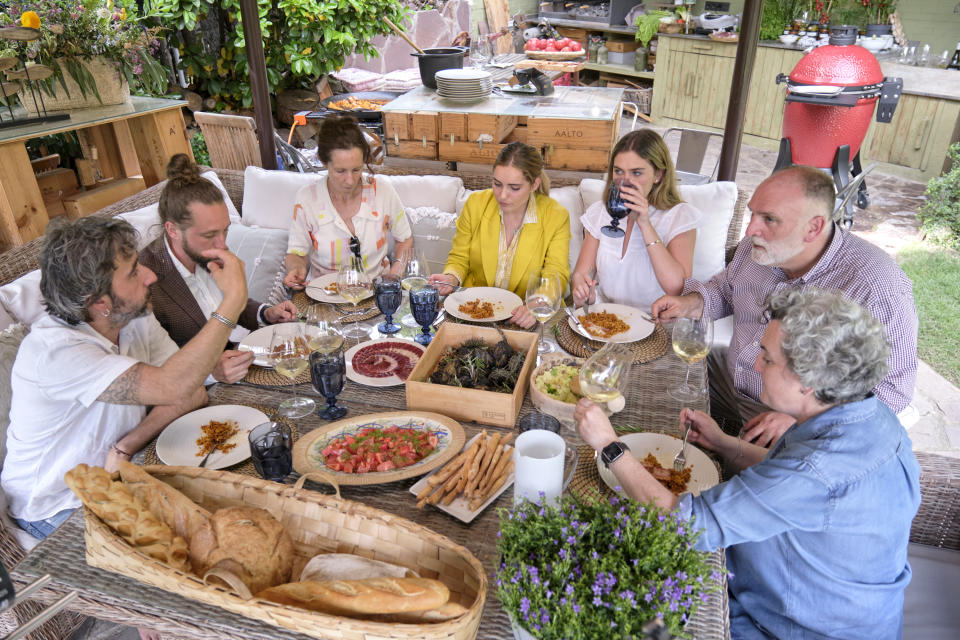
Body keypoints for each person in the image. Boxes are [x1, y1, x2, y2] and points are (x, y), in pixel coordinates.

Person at [576, 289, 921, 640]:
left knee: (596, 588)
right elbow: (787, 476)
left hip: (783, 626)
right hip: (832, 606)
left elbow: (682, 525)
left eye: (767, 359)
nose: (756, 364)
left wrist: (609, 445)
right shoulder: (869, 414)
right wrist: (724, 444)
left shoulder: (817, 471)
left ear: (808, 382)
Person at [651, 165, 917, 445]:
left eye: (769, 219)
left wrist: (805, 419)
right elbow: (727, 290)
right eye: (753, 213)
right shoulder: (756, 249)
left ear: (813, 228)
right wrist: (691, 303)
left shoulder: (876, 286)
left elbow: (891, 392)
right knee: (650, 377)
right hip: (731, 378)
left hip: (787, 415)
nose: (751, 229)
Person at [139, 154, 298, 383]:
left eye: (225, 230)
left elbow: (229, 305)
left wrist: (265, 313)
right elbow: (151, 370)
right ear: (172, 230)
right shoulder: (146, 282)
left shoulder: (205, 252)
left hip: (246, 359)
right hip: (201, 392)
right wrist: (209, 373)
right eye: (209, 235)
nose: (222, 244)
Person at [427, 142, 571, 329]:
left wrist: (536, 304)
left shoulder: (555, 216)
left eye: (514, 188)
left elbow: (556, 273)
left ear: (534, 184)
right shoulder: (475, 204)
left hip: (524, 317)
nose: (502, 195)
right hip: (477, 312)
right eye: (497, 184)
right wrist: (451, 277)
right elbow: (459, 258)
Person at [571, 129, 700, 309]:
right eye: (619, 171)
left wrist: (645, 224)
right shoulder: (601, 212)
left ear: (658, 175)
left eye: (636, 173)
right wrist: (582, 290)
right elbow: (581, 273)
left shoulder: (679, 216)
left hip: (655, 323)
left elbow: (677, 288)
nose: (625, 182)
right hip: (606, 319)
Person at [283, 116, 413, 288]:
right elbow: (296, 253)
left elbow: (405, 240)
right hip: (325, 296)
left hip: (378, 294)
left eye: (357, 169)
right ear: (324, 162)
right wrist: (296, 269)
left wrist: (394, 276)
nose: (350, 180)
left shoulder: (382, 191)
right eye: (340, 171)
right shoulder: (307, 199)